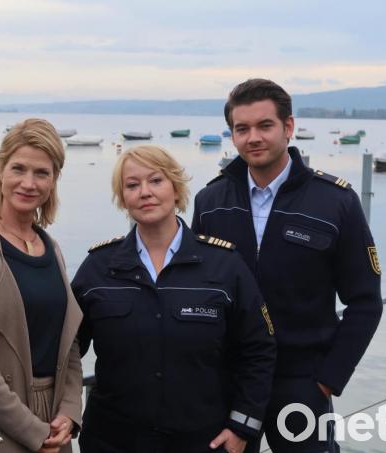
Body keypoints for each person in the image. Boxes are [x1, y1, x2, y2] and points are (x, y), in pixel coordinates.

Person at [191, 78, 384, 453]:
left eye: (265, 125)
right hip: (229, 381)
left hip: (302, 382)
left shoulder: (335, 202)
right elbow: (197, 289)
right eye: (242, 129)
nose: (253, 138)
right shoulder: (211, 202)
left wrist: (328, 379)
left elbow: (365, 301)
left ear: (288, 127)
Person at [72, 145, 276, 453]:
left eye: (156, 180)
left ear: (176, 188)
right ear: (123, 198)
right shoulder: (98, 268)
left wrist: (242, 426)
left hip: (203, 441)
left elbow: (259, 349)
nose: (145, 192)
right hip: (112, 441)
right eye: (132, 185)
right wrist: (65, 412)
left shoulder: (224, 265)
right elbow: (67, 349)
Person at [0, 118, 83, 453]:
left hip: (54, 424)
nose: (28, 183)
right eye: (18, 169)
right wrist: (30, 429)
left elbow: (69, 342)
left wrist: (69, 410)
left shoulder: (51, 248)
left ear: (54, 179)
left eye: (41, 173)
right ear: (0, 169)